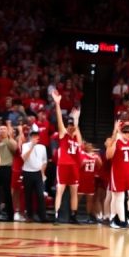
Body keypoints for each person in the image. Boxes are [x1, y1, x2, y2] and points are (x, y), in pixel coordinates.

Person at [51, 89, 82, 225]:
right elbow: (59, 119)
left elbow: (80, 142)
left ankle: (73, 216)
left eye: (72, 125)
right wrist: (57, 104)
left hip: (74, 166)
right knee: (60, 190)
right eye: (69, 124)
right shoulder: (63, 134)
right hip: (63, 165)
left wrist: (76, 119)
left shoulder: (76, 136)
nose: (70, 127)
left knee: (74, 191)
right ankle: (56, 216)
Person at [106, 120, 129, 229]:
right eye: (126, 131)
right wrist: (115, 135)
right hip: (117, 173)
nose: (128, 133)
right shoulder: (116, 141)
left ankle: (128, 214)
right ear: (121, 132)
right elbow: (108, 156)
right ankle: (120, 220)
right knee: (118, 197)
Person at [0, 120, 17, 221]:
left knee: (7, 192)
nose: (2, 130)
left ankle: (10, 215)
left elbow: (14, 149)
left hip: (6, 168)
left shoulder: (11, 141)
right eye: (0, 129)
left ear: (7, 131)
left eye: (4, 129)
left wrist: (6, 138)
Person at [21, 130, 48, 222]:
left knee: (40, 195)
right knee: (28, 195)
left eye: (36, 136)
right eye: (33, 136)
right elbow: (24, 158)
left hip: (38, 173)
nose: (35, 138)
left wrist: (42, 172)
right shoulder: (25, 146)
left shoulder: (42, 147)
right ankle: (29, 216)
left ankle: (42, 216)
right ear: (30, 137)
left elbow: (44, 161)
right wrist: (32, 146)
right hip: (27, 172)